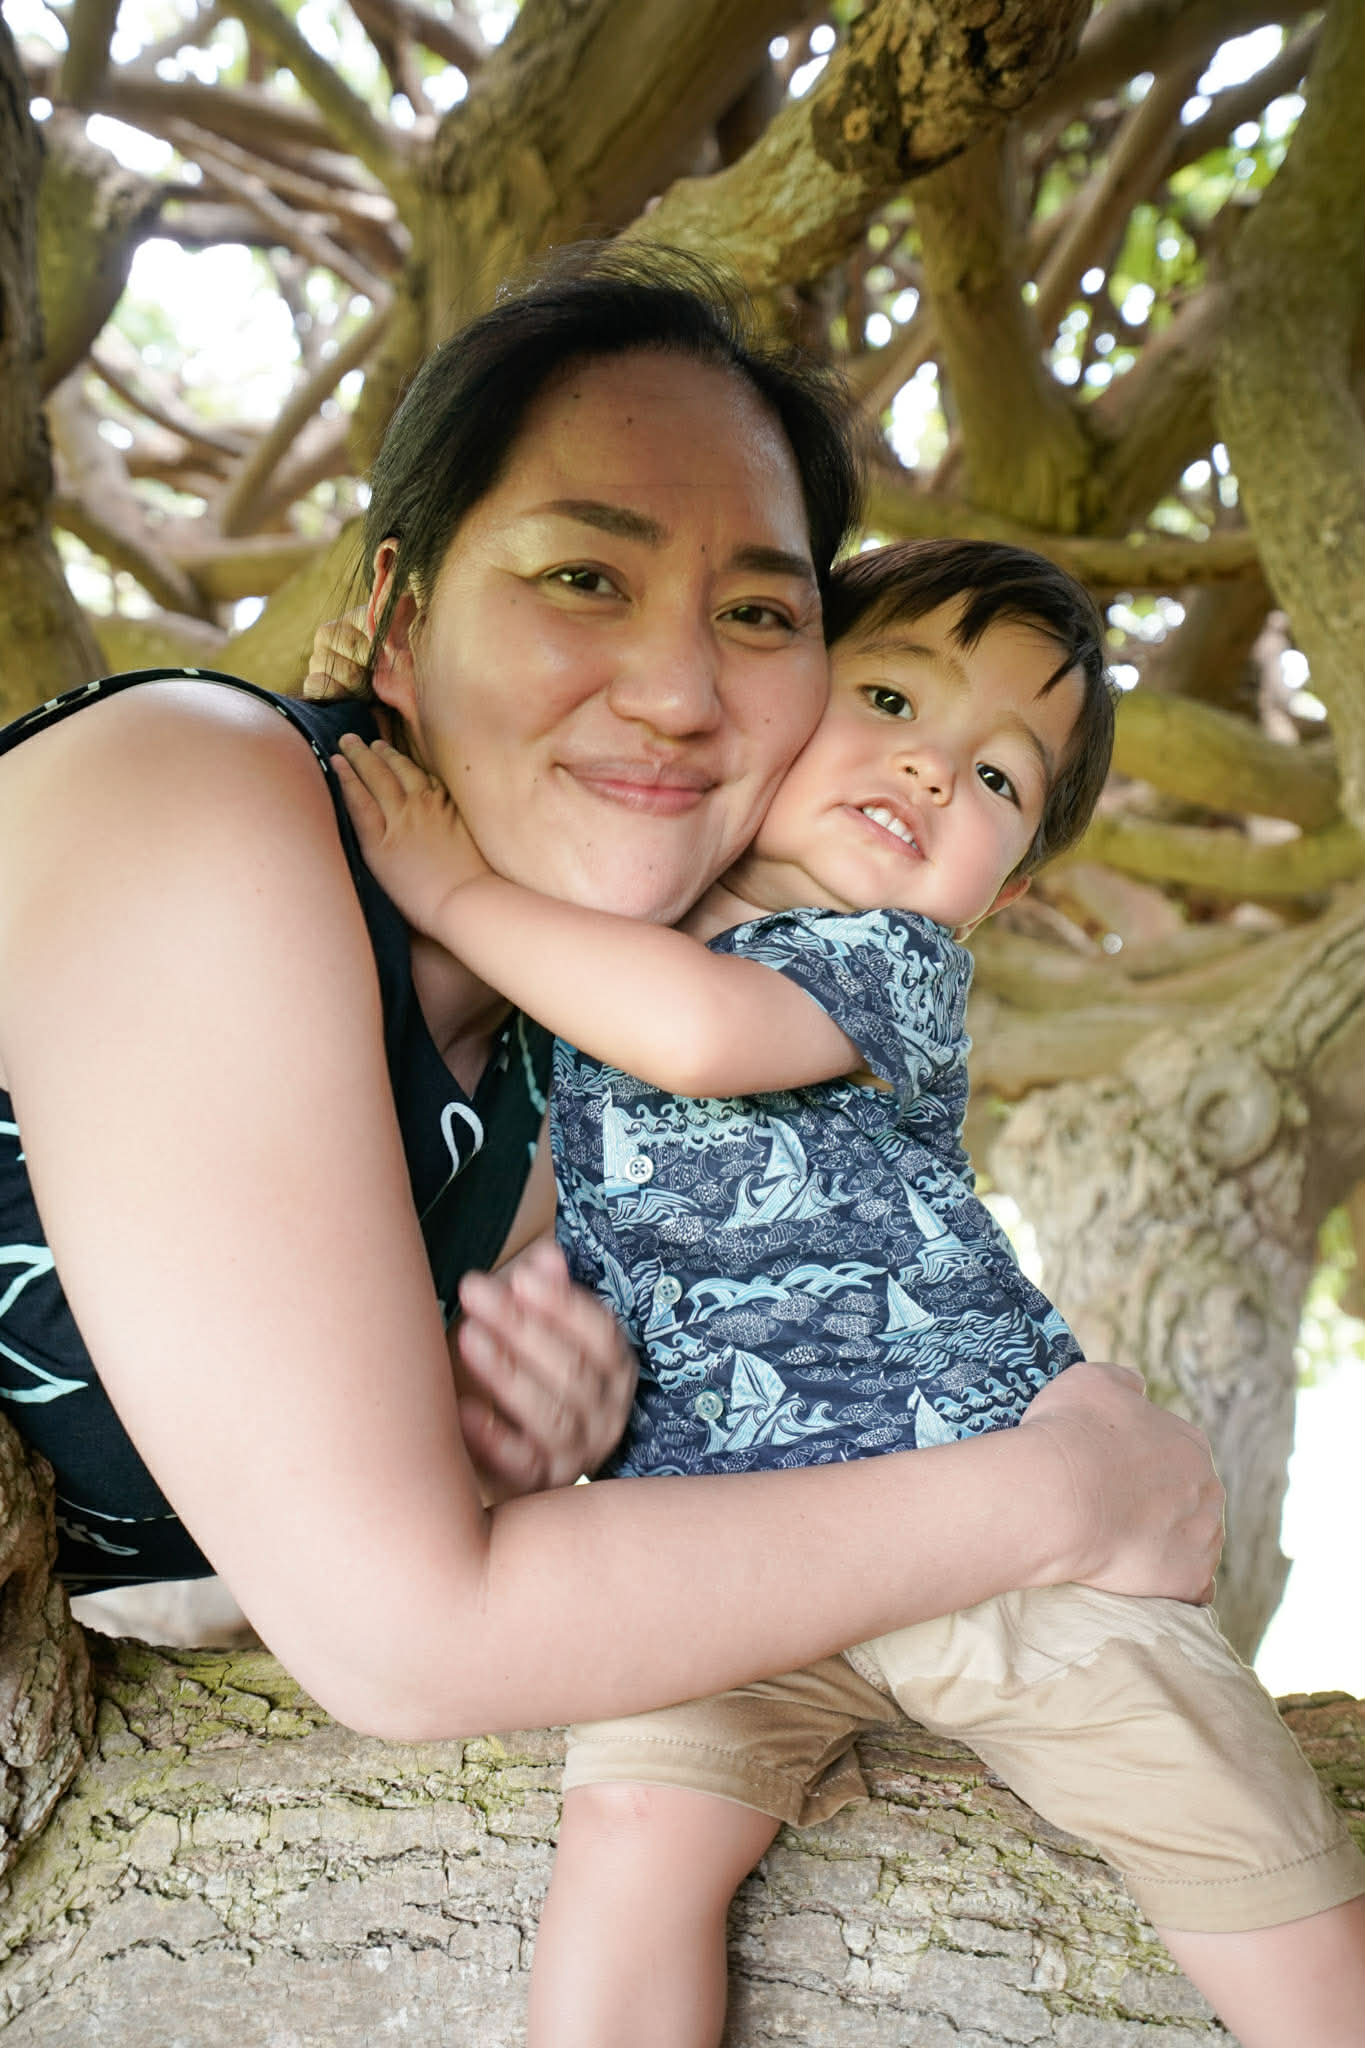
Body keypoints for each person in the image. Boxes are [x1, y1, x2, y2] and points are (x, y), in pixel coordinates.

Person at [0, 247, 1223, 1755]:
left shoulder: (579, 1080)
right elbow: (408, 1642)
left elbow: (337, 1593)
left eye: (759, 616)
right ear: (397, 621)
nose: (677, 693)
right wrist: (1065, 1492)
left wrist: (507, 1466)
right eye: (585, 578)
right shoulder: (193, 795)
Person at [333, 535, 1365, 2048]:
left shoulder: (881, 960)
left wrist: (451, 885)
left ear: (1000, 895)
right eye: (889, 698)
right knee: (628, 1837)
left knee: (1230, 1826)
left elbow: (700, 1035)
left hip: (995, 1530)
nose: (935, 768)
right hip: (722, 1558)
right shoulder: (588, 974)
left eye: (998, 778)